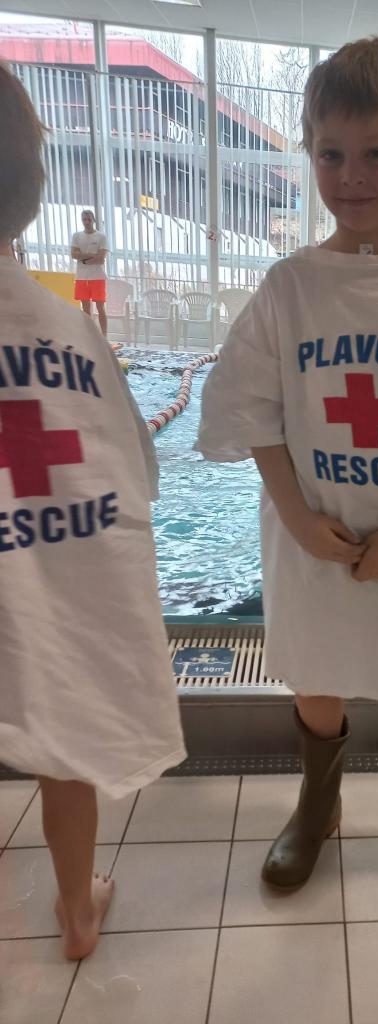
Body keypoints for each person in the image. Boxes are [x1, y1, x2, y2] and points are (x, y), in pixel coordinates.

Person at [197, 36, 378, 919]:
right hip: (311, 534)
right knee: (315, 680)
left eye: (375, 154)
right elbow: (250, 406)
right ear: (309, 153)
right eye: (331, 154)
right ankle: (318, 805)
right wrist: (294, 514)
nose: (351, 176)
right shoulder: (290, 286)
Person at [0, 64, 186, 960]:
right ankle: (78, 912)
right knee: (59, 748)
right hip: (33, 599)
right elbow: (135, 476)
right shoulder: (70, 332)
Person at [71, 208, 108, 336]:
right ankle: (90, 336)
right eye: (84, 219)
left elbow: (101, 259)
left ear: (93, 220)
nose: (86, 222)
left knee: (100, 308)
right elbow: (74, 255)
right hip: (82, 278)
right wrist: (92, 255)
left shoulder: (101, 236)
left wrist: (83, 258)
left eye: (89, 219)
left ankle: (104, 337)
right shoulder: (77, 236)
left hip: (98, 277)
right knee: (86, 310)